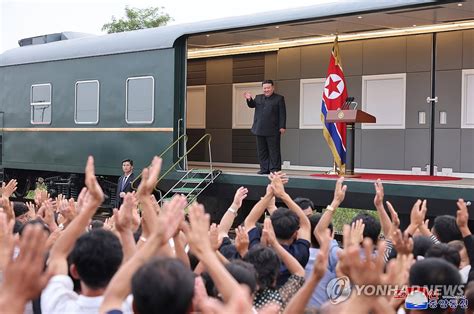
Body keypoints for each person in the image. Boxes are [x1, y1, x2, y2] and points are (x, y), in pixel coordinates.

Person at [244, 80, 286, 174]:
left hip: (273, 129)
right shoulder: (258, 97)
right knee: (262, 151)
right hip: (259, 128)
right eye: (264, 88)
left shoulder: (279, 98)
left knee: (274, 150)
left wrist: (282, 126)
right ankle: (264, 169)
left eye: (268, 88)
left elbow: (282, 113)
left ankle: (274, 169)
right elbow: (252, 105)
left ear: (272, 88)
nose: (266, 90)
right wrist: (249, 99)